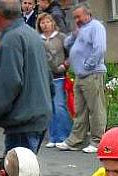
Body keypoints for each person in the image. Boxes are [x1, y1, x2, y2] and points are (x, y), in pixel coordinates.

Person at [0, 0, 53, 153]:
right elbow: (48, 78)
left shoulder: (11, 40)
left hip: (22, 121)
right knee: (27, 173)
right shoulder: (31, 34)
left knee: (18, 174)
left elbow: (9, 83)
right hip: (36, 117)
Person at [55, 3, 106, 153]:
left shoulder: (96, 27)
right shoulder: (81, 29)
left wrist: (88, 65)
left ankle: (97, 141)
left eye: (79, 16)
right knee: (79, 110)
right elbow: (66, 44)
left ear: (87, 14)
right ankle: (76, 141)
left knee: (96, 108)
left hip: (92, 73)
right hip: (80, 75)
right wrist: (74, 34)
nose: (76, 19)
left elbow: (100, 49)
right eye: (75, 17)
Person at [39, 12, 72, 148]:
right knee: (49, 108)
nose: (45, 25)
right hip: (44, 78)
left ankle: (64, 136)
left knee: (59, 106)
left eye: (48, 22)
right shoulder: (37, 39)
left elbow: (71, 54)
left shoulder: (61, 37)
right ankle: (53, 136)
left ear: (53, 23)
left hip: (59, 77)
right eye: (42, 23)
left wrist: (65, 65)